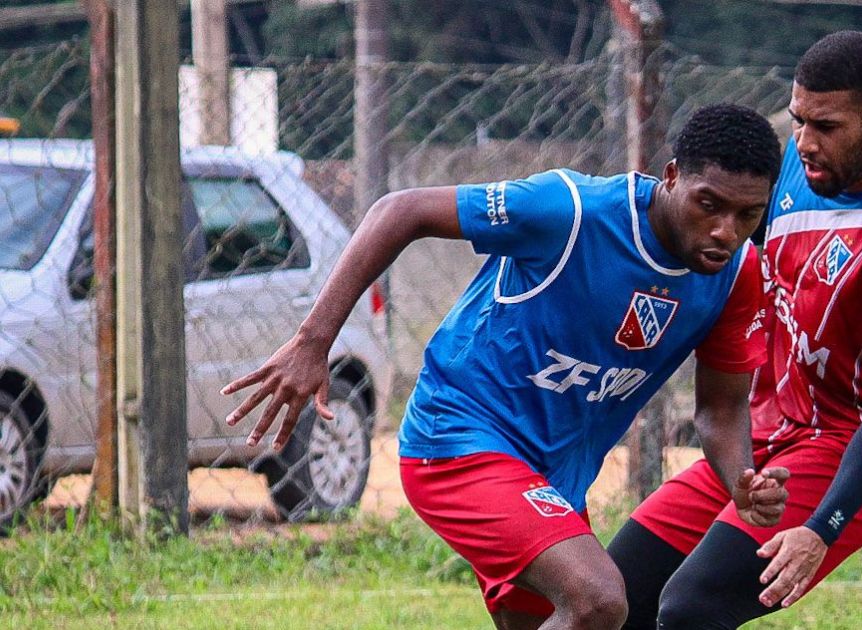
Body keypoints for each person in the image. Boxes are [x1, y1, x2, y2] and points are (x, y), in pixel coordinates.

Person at [222, 103, 791, 630]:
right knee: (598, 599)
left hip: (555, 479)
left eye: (747, 214)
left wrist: (740, 479)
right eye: (708, 204)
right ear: (670, 176)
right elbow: (403, 209)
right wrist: (312, 340)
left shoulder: (737, 276)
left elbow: (720, 409)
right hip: (460, 440)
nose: (725, 230)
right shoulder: (570, 211)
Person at [608, 31, 862, 629]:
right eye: (798, 120)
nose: (804, 142)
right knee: (616, 592)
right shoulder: (796, 168)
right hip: (768, 437)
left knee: (693, 608)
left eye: (826, 126)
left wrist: (820, 530)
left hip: (845, 448)